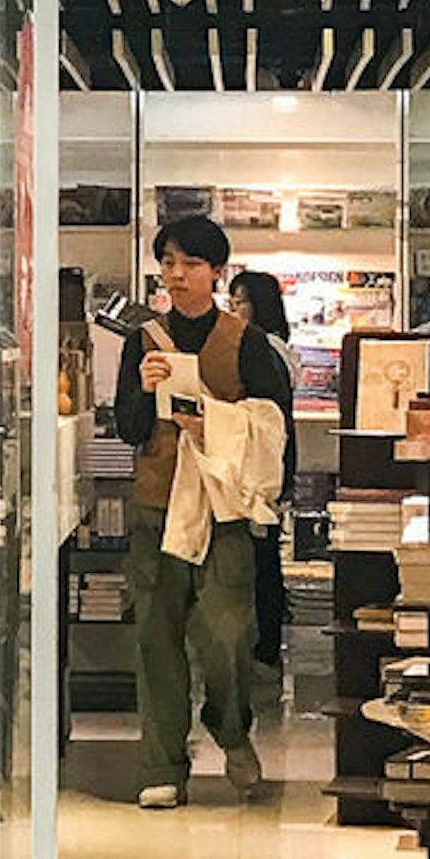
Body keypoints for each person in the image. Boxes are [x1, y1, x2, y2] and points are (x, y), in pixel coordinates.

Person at [111, 215, 290, 808]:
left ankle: (230, 724)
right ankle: (160, 767)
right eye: (168, 263)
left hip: (221, 513)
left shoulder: (247, 343)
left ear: (217, 272)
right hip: (156, 508)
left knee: (229, 635)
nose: (178, 275)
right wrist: (140, 387)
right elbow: (129, 428)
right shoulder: (144, 341)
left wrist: (214, 422)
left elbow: (274, 428)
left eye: (190, 264)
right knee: (155, 639)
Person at [225, 266, 301, 682]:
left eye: (241, 302)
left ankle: (264, 649)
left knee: (261, 561)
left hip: (260, 473)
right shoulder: (280, 347)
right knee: (264, 557)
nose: (234, 310)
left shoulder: (261, 349)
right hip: (272, 468)